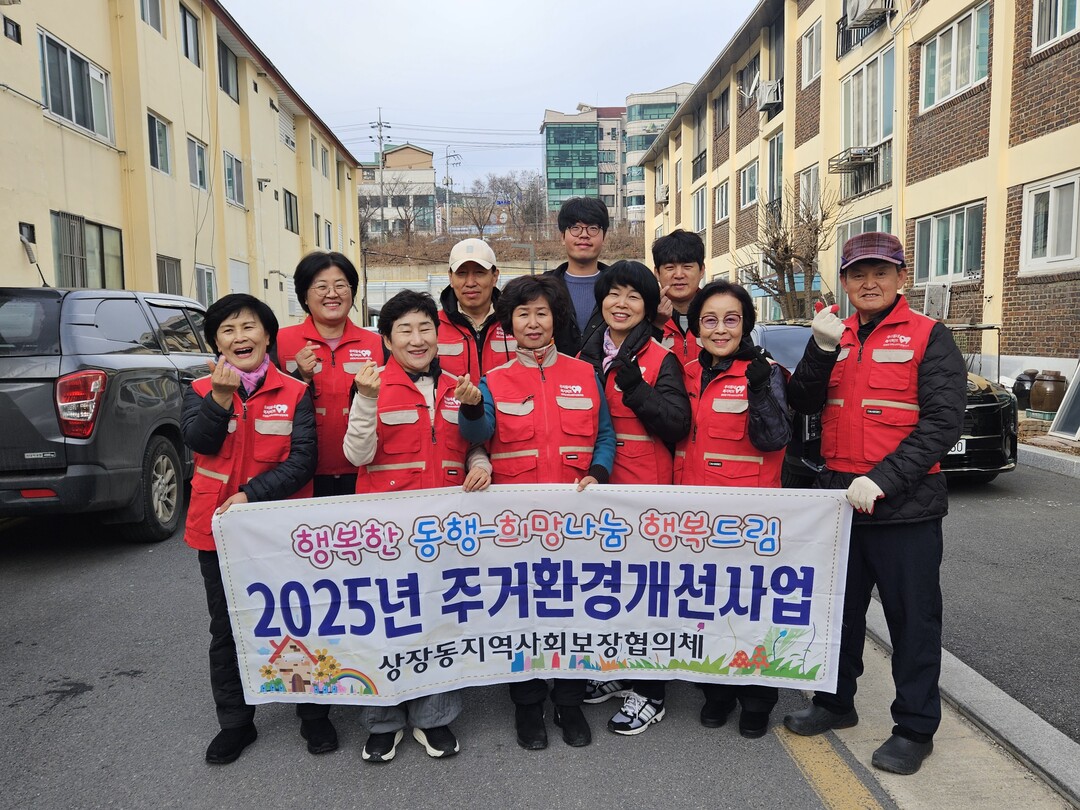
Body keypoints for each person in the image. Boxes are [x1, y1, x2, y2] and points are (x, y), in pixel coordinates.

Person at [782, 232, 966, 775]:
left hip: (905, 506)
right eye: (858, 273)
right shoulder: (834, 336)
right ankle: (836, 703)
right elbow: (802, 403)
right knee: (838, 612)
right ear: (844, 281)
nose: (869, 283)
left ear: (900, 278)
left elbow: (942, 423)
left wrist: (883, 479)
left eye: (880, 273)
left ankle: (914, 727)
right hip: (839, 502)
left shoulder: (930, 337)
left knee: (913, 621)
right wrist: (817, 350)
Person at [457, 275, 616, 751]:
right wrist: (469, 409)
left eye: (541, 313)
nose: (532, 321)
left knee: (573, 614)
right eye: (522, 313)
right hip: (516, 525)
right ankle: (527, 707)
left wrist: (599, 473)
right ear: (509, 322)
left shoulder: (584, 373)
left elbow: (604, 435)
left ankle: (568, 703)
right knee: (520, 616)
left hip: (575, 521)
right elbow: (478, 436)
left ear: (555, 320)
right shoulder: (494, 380)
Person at [341, 289, 490, 763]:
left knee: (439, 622)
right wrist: (365, 401)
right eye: (404, 329)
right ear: (387, 339)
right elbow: (356, 455)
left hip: (445, 528)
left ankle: (434, 718)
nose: (417, 338)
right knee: (384, 623)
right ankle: (382, 720)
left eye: (425, 327)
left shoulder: (458, 385)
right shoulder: (370, 384)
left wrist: (481, 459)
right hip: (385, 528)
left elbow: (471, 443)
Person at [181, 293, 329, 764]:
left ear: (268, 336)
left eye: (249, 327)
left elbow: (304, 462)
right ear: (217, 343)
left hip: (278, 528)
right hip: (217, 531)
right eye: (228, 330)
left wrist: (250, 494)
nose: (240, 337)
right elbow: (198, 442)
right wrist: (221, 399)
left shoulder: (295, 391)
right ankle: (236, 724)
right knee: (227, 627)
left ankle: (315, 716)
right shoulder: (201, 390)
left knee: (299, 621)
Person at [576, 260, 692, 735]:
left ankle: (651, 692)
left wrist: (636, 387)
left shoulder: (661, 357)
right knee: (609, 588)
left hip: (645, 492)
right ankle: (619, 672)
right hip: (598, 488)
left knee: (648, 593)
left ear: (647, 307)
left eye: (633, 297)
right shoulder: (585, 353)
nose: (620, 305)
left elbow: (676, 424)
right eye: (613, 295)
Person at [675, 280, 791, 739]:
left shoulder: (767, 370)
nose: (720, 329)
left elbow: (775, 438)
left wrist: (761, 391)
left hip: (749, 516)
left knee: (751, 611)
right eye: (709, 320)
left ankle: (757, 699)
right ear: (696, 326)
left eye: (731, 319)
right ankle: (716, 693)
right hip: (694, 513)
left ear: (745, 324)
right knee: (705, 607)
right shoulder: (683, 371)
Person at [275, 251, 383, 497]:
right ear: (304, 294)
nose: (332, 294)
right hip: (301, 476)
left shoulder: (377, 344)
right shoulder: (281, 342)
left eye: (341, 286)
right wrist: (298, 375)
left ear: (352, 291)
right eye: (321, 287)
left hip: (363, 472)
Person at [436, 238, 517, 379]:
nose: (470, 283)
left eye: (479, 272)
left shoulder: (516, 322)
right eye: (461, 273)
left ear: (494, 276)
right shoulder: (432, 326)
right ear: (450, 277)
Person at [543, 197, 611, 355]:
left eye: (593, 228)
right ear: (562, 236)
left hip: (610, 377)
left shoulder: (620, 284)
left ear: (604, 236)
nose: (584, 235)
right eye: (575, 228)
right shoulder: (543, 287)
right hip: (556, 376)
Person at [652, 229, 707, 367]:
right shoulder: (644, 317)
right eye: (670, 267)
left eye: (687, 266)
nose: (679, 274)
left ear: (701, 271)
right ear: (657, 273)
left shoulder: (720, 314)